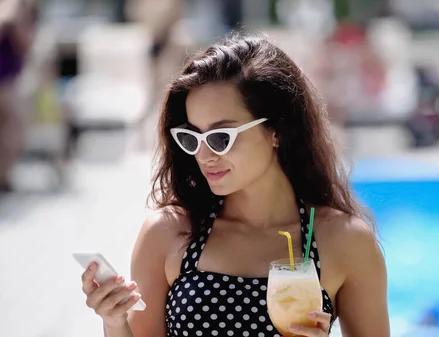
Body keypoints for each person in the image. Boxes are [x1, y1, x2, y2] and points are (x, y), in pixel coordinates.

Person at [80, 33, 390, 336]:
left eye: (220, 137)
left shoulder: (345, 241)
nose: (204, 155)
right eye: (192, 138)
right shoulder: (167, 233)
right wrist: (115, 322)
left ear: (276, 130)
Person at [0, 0, 36, 192]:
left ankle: (6, 177)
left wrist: (16, 22)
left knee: (13, 133)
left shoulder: (23, 11)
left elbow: (27, 43)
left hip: (10, 83)